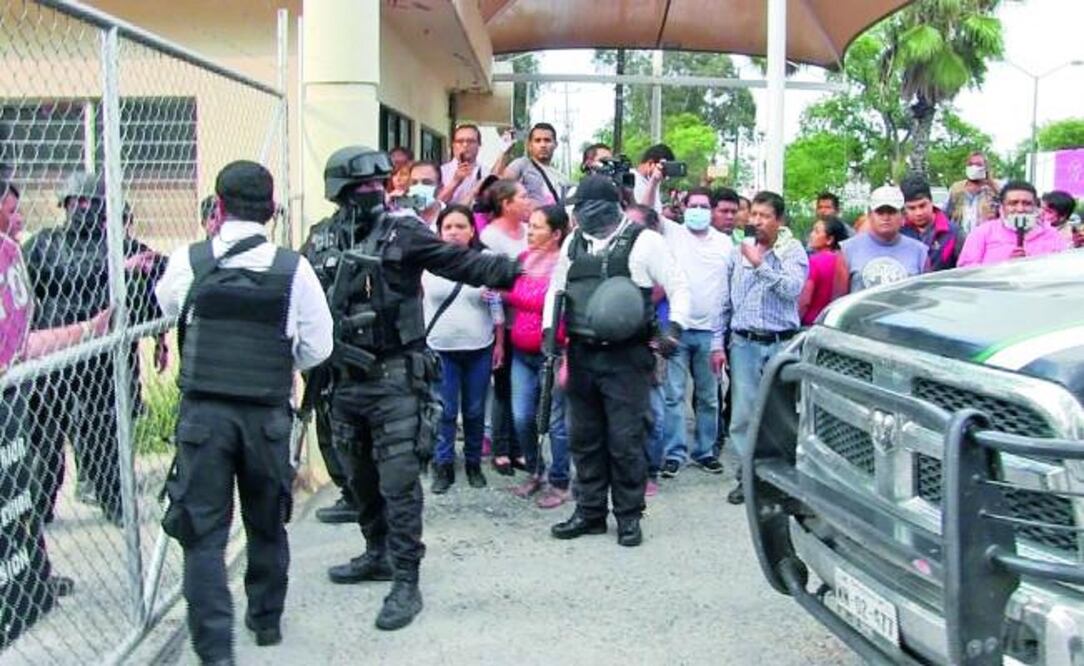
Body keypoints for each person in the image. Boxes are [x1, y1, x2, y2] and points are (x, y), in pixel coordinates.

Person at [316, 146, 520, 631]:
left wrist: (520, 268)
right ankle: (376, 553)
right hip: (343, 380)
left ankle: (406, 579)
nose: (372, 192)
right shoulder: (320, 238)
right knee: (359, 477)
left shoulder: (403, 231)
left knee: (399, 481)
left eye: (377, 185)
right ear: (340, 192)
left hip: (395, 378)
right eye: (361, 187)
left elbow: (461, 263)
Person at [154, 161, 334, 663]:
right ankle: (266, 621)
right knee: (266, 519)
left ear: (218, 206)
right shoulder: (293, 268)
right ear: (272, 210)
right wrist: (277, 360)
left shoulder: (189, 259)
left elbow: (169, 307)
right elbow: (318, 347)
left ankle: (215, 651)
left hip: (204, 416)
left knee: (203, 533)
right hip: (266, 414)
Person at [545, 175, 690, 547]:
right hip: (581, 352)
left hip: (627, 356)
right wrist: (550, 333)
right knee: (585, 437)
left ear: (607, 206)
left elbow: (678, 286)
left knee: (625, 439)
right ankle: (590, 511)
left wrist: (674, 329)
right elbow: (557, 290)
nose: (578, 215)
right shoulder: (573, 244)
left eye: (584, 207)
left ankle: (628, 515)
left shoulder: (645, 241)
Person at [0, 179, 110, 617]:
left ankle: (31, 579)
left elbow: (23, 341)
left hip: (27, 384)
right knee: (38, 462)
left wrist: (88, 330)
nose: (21, 219)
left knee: (19, 491)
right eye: (11, 212)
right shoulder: (41, 248)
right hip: (32, 383)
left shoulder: (13, 260)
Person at [22, 172, 128, 524]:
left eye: (89, 202)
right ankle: (40, 509)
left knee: (102, 435)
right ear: (65, 205)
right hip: (54, 352)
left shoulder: (115, 245)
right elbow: (20, 287)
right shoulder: (43, 243)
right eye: (76, 202)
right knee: (46, 439)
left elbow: (150, 269)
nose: (82, 208)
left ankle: (114, 503)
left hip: (98, 355)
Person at [714, 191, 808, 505]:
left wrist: (761, 266)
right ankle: (748, 477)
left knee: (780, 413)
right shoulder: (737, 252)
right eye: (753, 214)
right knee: (742, 414)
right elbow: (725, 301)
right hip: (744, 343)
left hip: (781, 343)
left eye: (764, 216)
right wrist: (718, 343)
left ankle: (781, 479)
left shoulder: (791, 250)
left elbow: (792, 290)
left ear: (778, 221)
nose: (756, 221)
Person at [424, 205, 504, 494]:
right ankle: (442, 463)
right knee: (443, 410)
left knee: (473, 409)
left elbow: (497, 307)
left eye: (461, 226)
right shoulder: (427, 262)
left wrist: (500, 342)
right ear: (440, 232)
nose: (455, 232)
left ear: (473, 230)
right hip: (440, 347)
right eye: (448, 227)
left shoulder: (486, 261)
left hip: (479, 347)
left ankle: (473, 463)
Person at [659, 188, 732, 478]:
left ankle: (705, 451)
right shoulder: (673, 234)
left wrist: (719, 342)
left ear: (711, 210)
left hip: (709, 334)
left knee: (710, 396)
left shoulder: (725, 244)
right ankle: (674, 453)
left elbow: (726, 293)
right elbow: (647, 206)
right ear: (684, 207)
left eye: (704, 206)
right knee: (672, 395)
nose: (699, 210)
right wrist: (654, 180)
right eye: (694, 205)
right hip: (677, 328)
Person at [503, 204, 572, 508]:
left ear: (557, 233)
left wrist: (569, 357)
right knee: (522, 416)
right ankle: (535, 470)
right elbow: (511, 298)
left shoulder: (566, 268)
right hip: (521, 351)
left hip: (554, 354)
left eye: (538, 226)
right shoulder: (522, 260)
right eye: (529, 225)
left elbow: (572, 313)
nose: (530, 231)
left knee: (556, 422)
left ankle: (560, 482)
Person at [300, 215, 362, 525]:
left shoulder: (383, 230)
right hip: (320, 340)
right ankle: (349, 491)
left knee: (353, 422)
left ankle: (362, 492)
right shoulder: (318, 234)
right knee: (326, 417)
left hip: (358, 342)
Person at [479, 180, 532, 476]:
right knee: (502, 386)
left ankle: (519, 447)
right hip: (502, 320)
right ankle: (500, 448)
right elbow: (492, 286)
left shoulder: (528, 231)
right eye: (523, 197)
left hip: (527, 320)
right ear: (506, 203)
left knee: (524, 387)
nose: (528, 201)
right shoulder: (491, 237)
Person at [624, 204, 667, 497]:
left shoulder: (660, 255)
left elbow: (659, 289)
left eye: (634, 225)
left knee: (653, 410)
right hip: (620, 339)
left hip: (651, 339)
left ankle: (652, 469)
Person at [958, 180, 1069, 268]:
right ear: (1002, 206)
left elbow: (1062, 271)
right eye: (1013, 203)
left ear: (1036, 206)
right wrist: (1004, 268)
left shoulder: (1052, 235)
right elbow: (965, 272)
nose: (1020, 209)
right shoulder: (982, 233)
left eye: (1027, 203)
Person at [841, 186, 928, 293]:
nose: (886, 217)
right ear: (870, 215)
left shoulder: (920, 252)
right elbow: (838, 300)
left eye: (891, 212)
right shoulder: (847, 250)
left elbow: (926, 296)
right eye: (880, 212)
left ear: (903, 216)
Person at [900, 176, 962, 271]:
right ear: (904, 209)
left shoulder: (953, 233)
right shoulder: (899, 233)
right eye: (912, 208)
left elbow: (965, 269)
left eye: (922, 205)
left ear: (931, 202)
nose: (919, 213)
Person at [502, 123, 570, 208]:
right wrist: (504, 153)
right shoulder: (521, 165)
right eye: (538, 140)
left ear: (555, 144)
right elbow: (501, 187)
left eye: (547, 140)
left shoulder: (562, 178)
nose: (543, 145)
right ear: (530, 145)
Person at [799, 217, 849, 326]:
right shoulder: (845, 260)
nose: (811, 235)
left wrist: (796, 320)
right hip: (834, 322)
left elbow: (805, 301)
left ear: (829, 240)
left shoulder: (814, 262)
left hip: (810, 324)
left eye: (816, 231)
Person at [945, 151, 1000, 236]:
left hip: (985, 239)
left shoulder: (994, 190)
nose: (974, 167)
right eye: (970, 164)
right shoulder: (956, 189)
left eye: (978, 165)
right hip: (959, 241)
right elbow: (945, 215)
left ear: (985, 168)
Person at [439, 125, 490, 206]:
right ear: (453, 145)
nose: (465, 145)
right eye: (459, 141)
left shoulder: (486, 173)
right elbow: (434, 204)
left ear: (479, 145)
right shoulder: (441, 172)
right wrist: (455, 181)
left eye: (471, 141)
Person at [633, 143, 676, 213]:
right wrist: (653, 181)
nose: (665, 178)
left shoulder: (653, 182)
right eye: (663, 172)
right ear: (650, 163)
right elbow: (642, 214)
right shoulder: (631, 179)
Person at [403, 160, 443, 228]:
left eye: (426, 182)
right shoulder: (400, 217)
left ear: (440, 187)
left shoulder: (453, 216)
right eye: (414, 183)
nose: (419, 187)